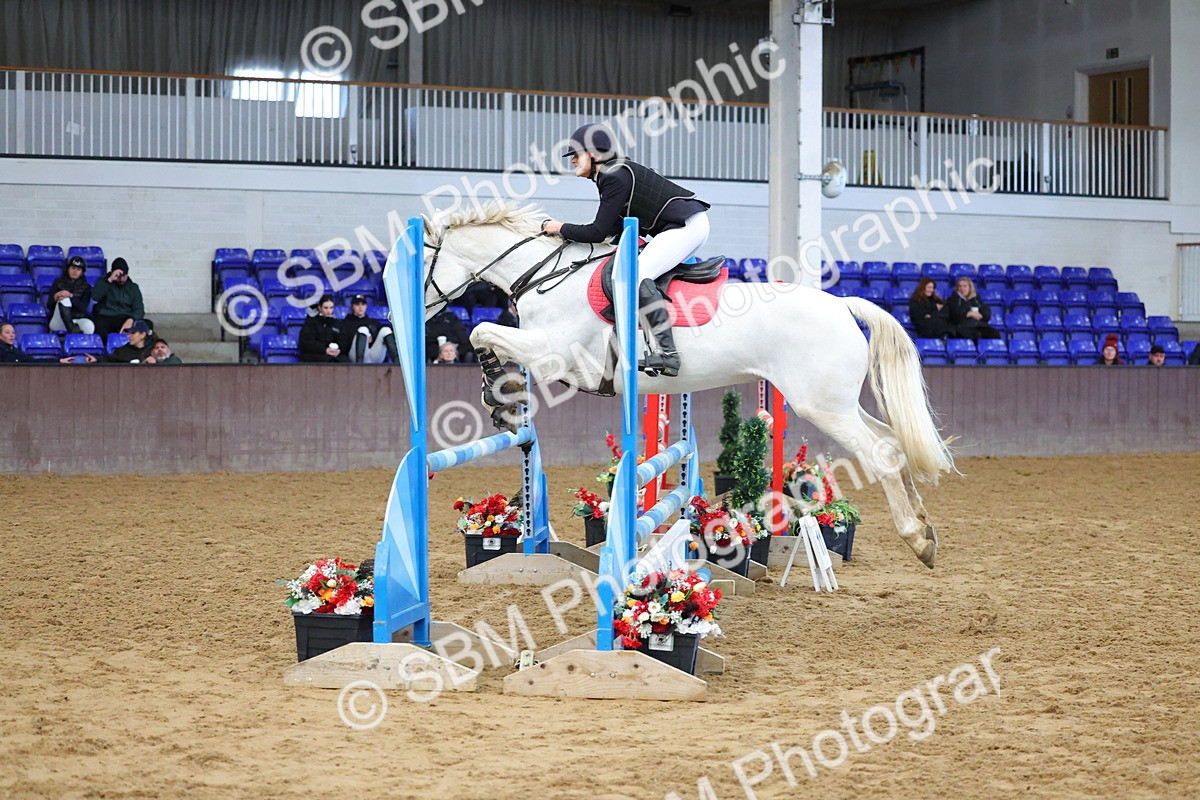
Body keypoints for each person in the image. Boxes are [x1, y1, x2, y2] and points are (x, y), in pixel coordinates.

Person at [540, 122, 711, 377]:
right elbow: (613, 231)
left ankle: (668, 355)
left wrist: (559, 227)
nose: (573, 161)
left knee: (638, 276)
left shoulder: (613, 175)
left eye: (576, 155)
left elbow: (597, 231)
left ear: (594, 154)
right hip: (677, 226)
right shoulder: (612, 174)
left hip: (686, 227)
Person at [91, 257, 146, 339]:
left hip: (125, 317)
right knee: (100, 327)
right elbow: (95, 296)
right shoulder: (104, 282)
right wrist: (109, 280)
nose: (121, 279)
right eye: (118, 276)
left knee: (145, 326)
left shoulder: (133, 288)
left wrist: (132, 319)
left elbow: (139, 309)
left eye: (124, 276)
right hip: (106, 316)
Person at [339, 294, 398, 363]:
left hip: (374, 355)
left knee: (386, 330)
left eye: (363, 304)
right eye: (357, 304)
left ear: (366, 306)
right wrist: (362, 337)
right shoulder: (345, 323)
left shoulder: (374, 322)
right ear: (352, 306)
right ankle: (359, 367)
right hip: (354, 357)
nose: (360, 307)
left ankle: (397, 363)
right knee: (363, 330)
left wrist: (372, 337)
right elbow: (343, 345)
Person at [47, 255, 96, 335]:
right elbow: (49, 305)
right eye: (73, 268)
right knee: (65, 299)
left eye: (78, 269)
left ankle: (80, 344)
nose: (75, 271)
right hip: (59, 321)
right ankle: (72, 330)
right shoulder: (58, 282)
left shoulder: (86, 287)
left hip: (76, 319)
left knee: (89, 326)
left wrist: (71, 296)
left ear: (82, 272)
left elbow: (83, 308)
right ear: (68, 269)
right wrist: (57, 296)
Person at [298, 295, 347, 363]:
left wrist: (339, 350)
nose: (329, 311)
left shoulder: (338, 323)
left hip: (334, 356)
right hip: (315, 356)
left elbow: (344, 341)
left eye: (331, 308)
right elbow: (306, 343)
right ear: (320, 308)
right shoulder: (311, 322)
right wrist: (325, 350)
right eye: (326, 308)